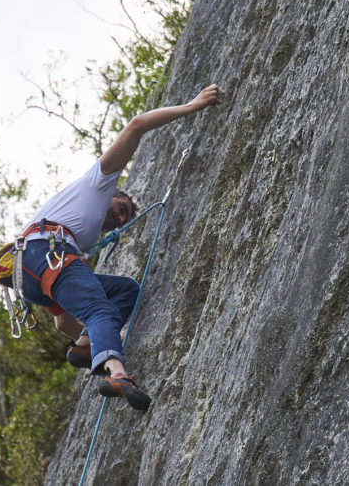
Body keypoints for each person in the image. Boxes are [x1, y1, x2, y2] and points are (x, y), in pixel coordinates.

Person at [19, 84, 223, 411]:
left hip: (33, 275)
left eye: (122, 219)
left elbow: (61, 322)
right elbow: (136, 125)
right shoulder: (98, 184)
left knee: (126, 291)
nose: (118, 216)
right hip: (43, 254)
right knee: (100, 309)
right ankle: (119, 375)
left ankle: (87, 347)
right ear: (116, 193)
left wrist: (92, 338)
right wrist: (193, 106)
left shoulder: (77, 238)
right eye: (121, 208)